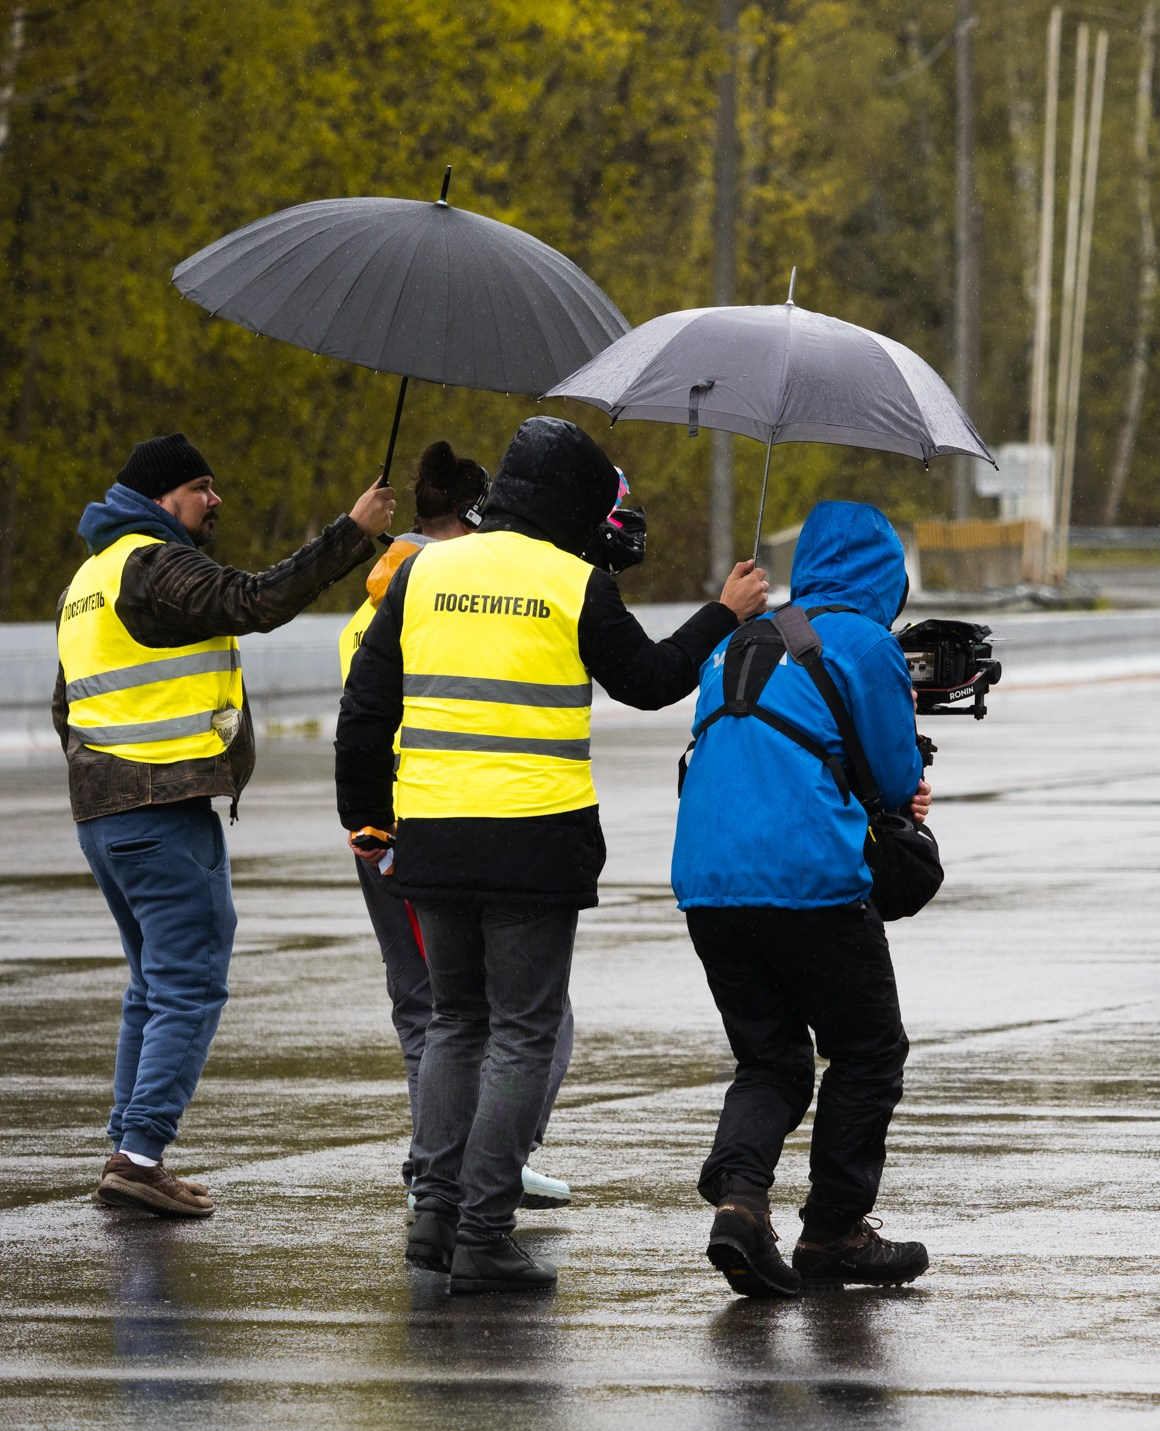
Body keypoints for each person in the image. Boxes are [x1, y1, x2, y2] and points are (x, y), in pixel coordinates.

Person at [336, 416, 766, 1294]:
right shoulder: (574, 585)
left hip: (432, 836)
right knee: (522, 1033)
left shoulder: (421, 575)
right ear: (570, 502)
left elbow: (363, 712)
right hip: (533, 839)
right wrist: (723, 614)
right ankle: (483, 1231)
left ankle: (435, 1209)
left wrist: (370, 823)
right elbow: (648, 683)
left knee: (455, 1022)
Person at [55, 433, 393, 1217]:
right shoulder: (152, 560)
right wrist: (353, 533)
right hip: (161, 810)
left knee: (154, 984)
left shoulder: (89, 578)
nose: (216, 502)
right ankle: (140, 1155)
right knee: (191, 984)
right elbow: (254, 600)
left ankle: (127, 1148)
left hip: (105, 813)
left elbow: (62, 705)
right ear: (162, 497)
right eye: (203, 487)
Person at [673, 500, 933, 1299]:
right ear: (886, 577)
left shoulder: (733, 642)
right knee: (867, 1048)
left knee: (773, 1059)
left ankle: (741, 1204)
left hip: (710, 883)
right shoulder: (864, 642)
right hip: (808, 879)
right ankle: (834, 1232)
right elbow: (891, 782)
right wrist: (909, 774)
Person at [339, 440, 574, 1214]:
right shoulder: (442, 596)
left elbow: (362, 722)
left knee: (429, 1006)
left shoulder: (375, 605)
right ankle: (468, 1168)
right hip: (441, 823)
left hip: (386, 832)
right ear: (477, 515)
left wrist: (366, 821)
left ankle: (447, 1169)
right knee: (510, 1014)